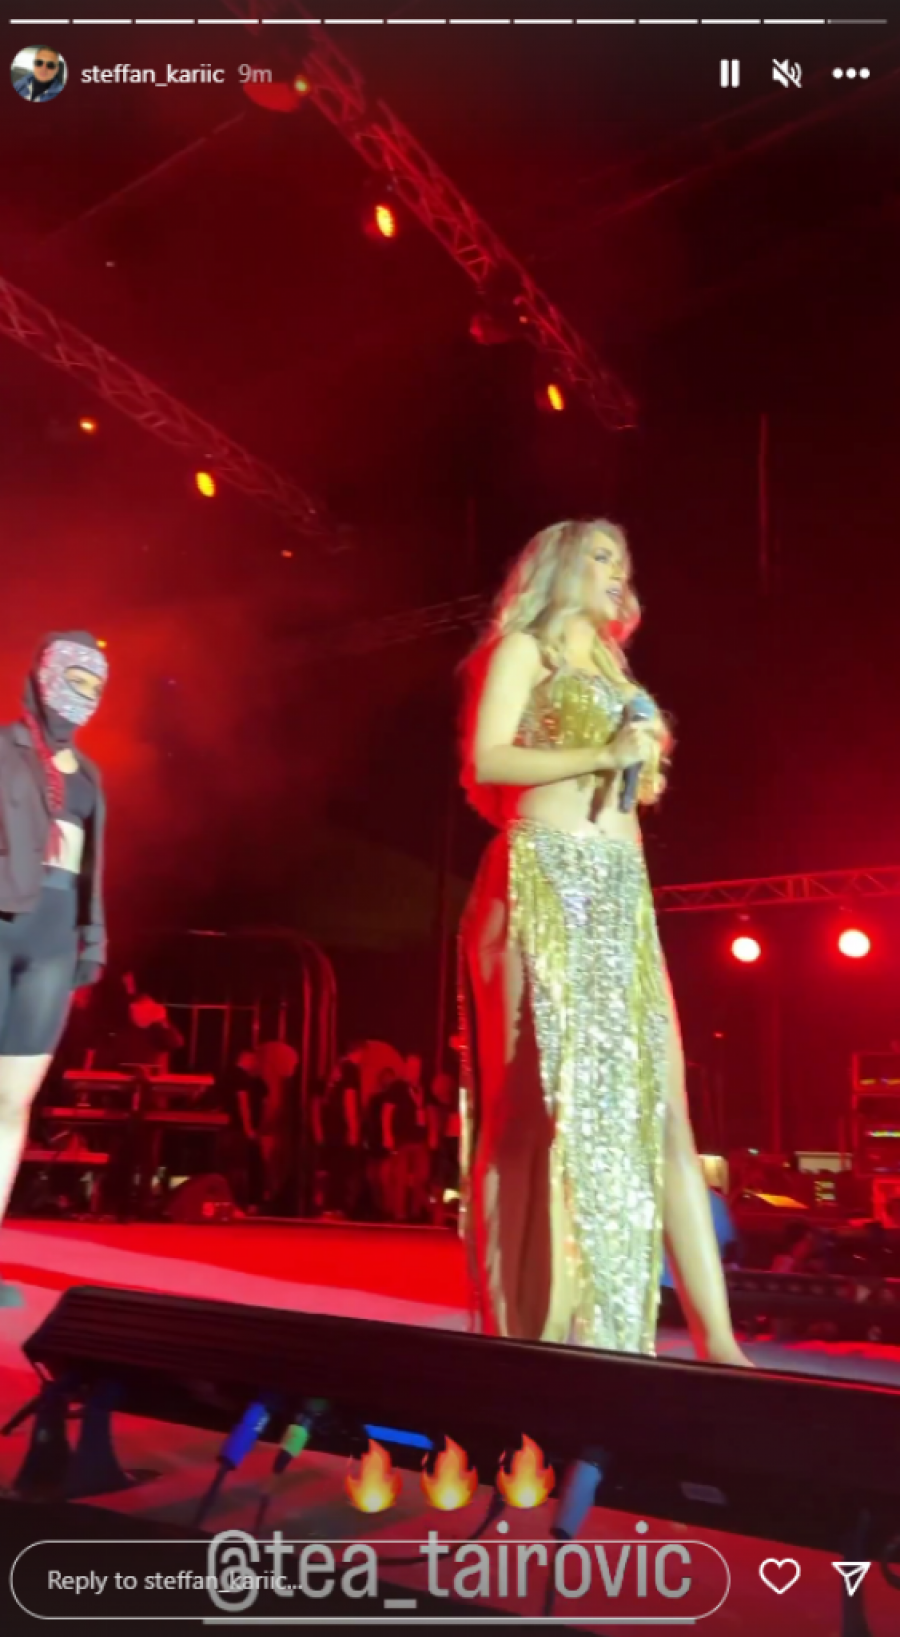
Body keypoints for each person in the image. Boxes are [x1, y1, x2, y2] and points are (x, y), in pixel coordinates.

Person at [457, 519, 748, 1364]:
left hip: (620, 893)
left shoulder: (619, 673)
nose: (618, 569)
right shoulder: (525, 651)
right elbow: (488, 760)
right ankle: (517, 1327)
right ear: (558, 566)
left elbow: (629, 781)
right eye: (600, 555)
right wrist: (602, 748)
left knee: (665, 1109)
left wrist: (640, 758)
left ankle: (718, 1341)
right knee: (527, 1113)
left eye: (623, 558)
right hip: (542, 877)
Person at [0, 632, 109, 1304]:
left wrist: (92, 939)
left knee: (12, 1100)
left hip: (54, 939)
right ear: (44, 677)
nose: (85, 696)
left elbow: (94, 866)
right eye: (75, 679)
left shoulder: (90, 777)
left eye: (96, 686)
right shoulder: (3, 749)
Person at [381, 1054, 431, 1223]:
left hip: (419, 1138)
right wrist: (387, 1134)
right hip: (402, 1138)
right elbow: (387, 1111)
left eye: (417, 1068)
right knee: (400, 1177)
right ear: (406, 1068)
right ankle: (399, 1213)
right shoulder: (397, 1087)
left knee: (421, 1176)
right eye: (411, 1067)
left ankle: (416, 1212)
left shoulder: (422, 1088)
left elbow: (427, 1111)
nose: (414, 1071)